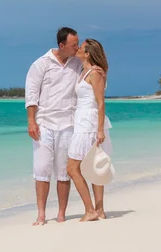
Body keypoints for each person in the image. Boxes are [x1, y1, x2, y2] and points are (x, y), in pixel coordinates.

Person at [25, 27, 82, 226]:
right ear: (61, 45)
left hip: (69, 123)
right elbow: (31, 94)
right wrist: (31, 121)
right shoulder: (41, 64)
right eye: (74, 44)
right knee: (42, 169)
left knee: (64, 171)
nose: (77, 47)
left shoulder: (78, 63)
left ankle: (61, 213)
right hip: (44, 124)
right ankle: (41, 214)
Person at [66, 39, 113, 222]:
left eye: (81, 47)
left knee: (72, 168)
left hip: (89, 125)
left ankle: (90, 210)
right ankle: (99, 210)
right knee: (93, 166)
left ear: (87, 54)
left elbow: (101, 102)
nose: (77, 48)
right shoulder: (85, 71)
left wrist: (100, 130)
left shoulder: (95, 73)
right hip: (82, 123)